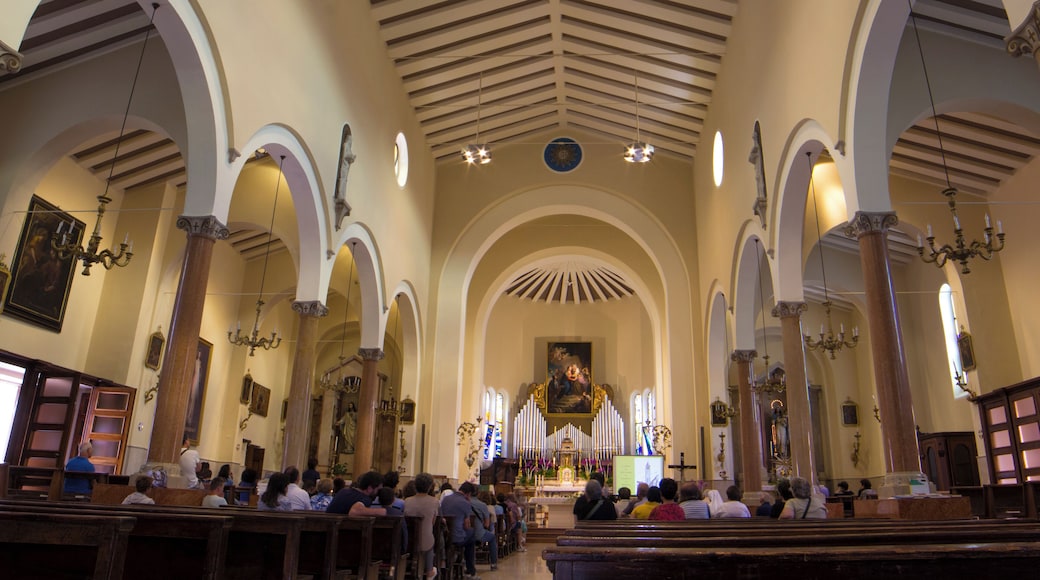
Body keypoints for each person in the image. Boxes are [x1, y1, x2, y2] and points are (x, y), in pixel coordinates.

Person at [404, 473, 441, 580]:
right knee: (429, 537)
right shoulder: (434, 502)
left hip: (408, 542)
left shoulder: (407, 501)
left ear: (415, 485)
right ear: (430, 487)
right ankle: (429, 571)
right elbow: (433, 522)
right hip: (426, 541)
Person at [442, 481, 479, 580]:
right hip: (456, 538)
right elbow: (467, 525)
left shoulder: (445, 499)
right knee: (471, 534)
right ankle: (470, 570)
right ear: (469, 494)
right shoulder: (465, 503)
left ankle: (458, 560)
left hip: (443, 536)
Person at [470, 486, 499, 571]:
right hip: (478, 534)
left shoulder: (464, 503)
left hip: (465, 533)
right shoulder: (482, 505)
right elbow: (487, 524)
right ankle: (493, 564)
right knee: (492, 538)